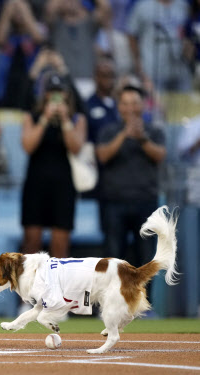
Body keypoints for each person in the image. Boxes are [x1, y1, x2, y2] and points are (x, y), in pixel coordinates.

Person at [95, 85, 166, 267]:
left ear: (143, 105)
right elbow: (103, 156)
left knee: (146, 262)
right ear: (119, 107)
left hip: (146, 203)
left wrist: (142, 138)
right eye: (125, 103)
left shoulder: (154, 131)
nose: (130, 108)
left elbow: (159, 156)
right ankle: (112, 297)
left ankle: (144, 297)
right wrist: (124, 134)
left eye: (134, 103)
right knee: (113, 262)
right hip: (114, 204)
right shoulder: (109, 130)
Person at [21, 73, 87, 259]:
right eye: (52, 92)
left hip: (64, 187)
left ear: (67, 94)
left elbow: (75, 148)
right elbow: (28, 145)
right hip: (36, 185)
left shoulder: (76, 119)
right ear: (45, 94)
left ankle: (58, 286)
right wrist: (45, 118)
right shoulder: (32, 116)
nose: (56, 97)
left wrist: (65, 120)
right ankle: (30, 287)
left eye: (60, 92)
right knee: (31, 245)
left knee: (60, 246)